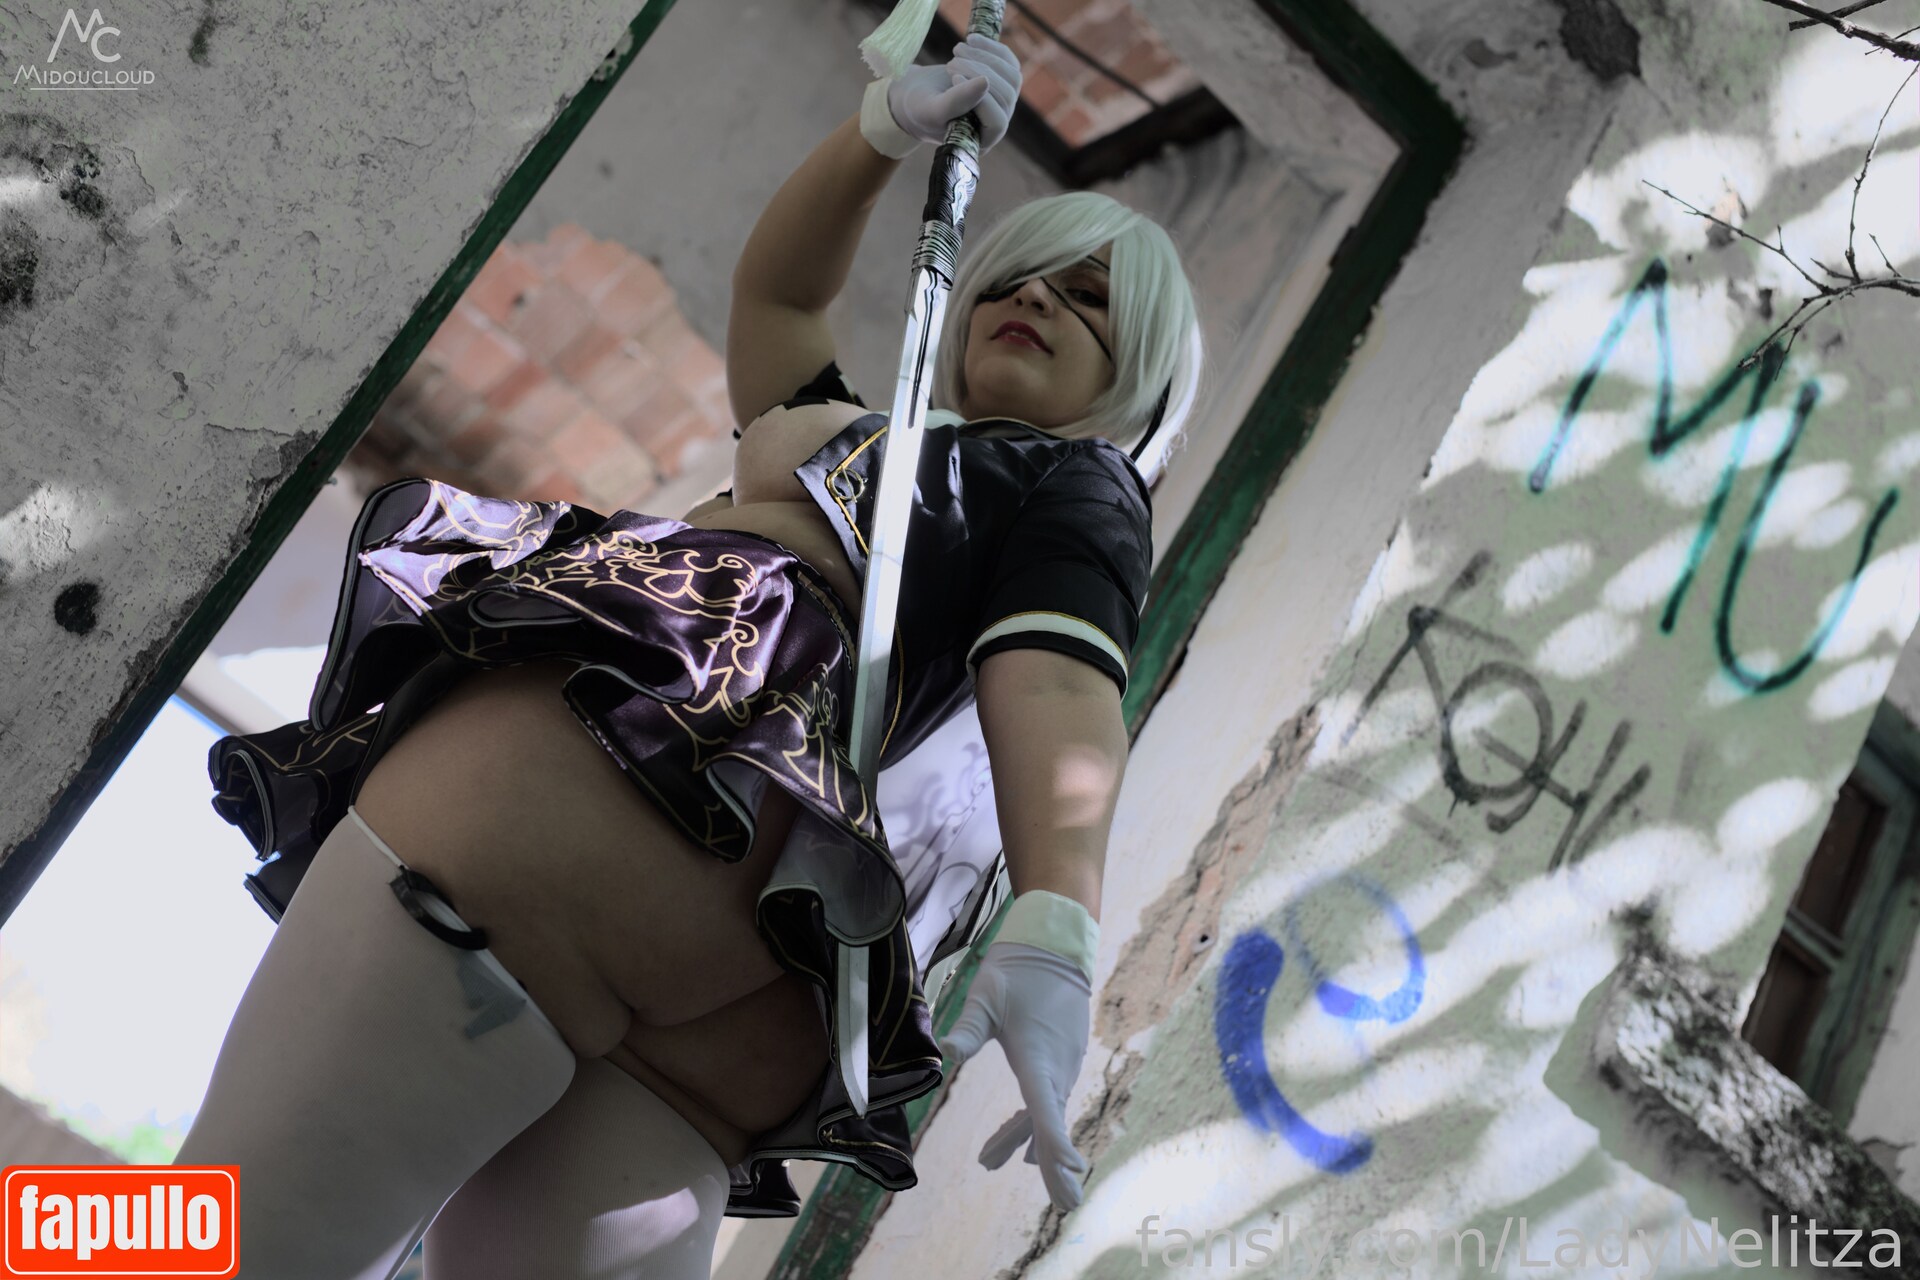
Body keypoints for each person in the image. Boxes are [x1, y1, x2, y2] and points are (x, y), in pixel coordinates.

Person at [176, 29, 1202, 1280]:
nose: (1039, 297)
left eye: (1090, 299)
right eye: (1026, 275)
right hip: (706, 1002)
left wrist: (1060, 923)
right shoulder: (856, 426)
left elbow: (1056, 677)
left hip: (585, 879)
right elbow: (779, 298)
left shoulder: (1080, 481)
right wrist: (880, 133)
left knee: (207, 1242)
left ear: (1138, 384)